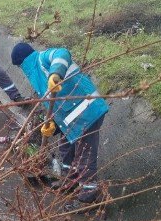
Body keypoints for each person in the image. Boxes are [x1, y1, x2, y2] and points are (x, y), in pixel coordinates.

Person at [11, 42, 109, 206]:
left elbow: (62, 53)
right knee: (65, 146)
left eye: (20, 66)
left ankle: (89, 195)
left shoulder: (42, 59)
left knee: (85, 154)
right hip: (73, 121)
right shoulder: (37, 77)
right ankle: (68, 179)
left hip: (88, 111)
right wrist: (53, 126)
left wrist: (56, 73)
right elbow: (56, 105)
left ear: (22, 63)